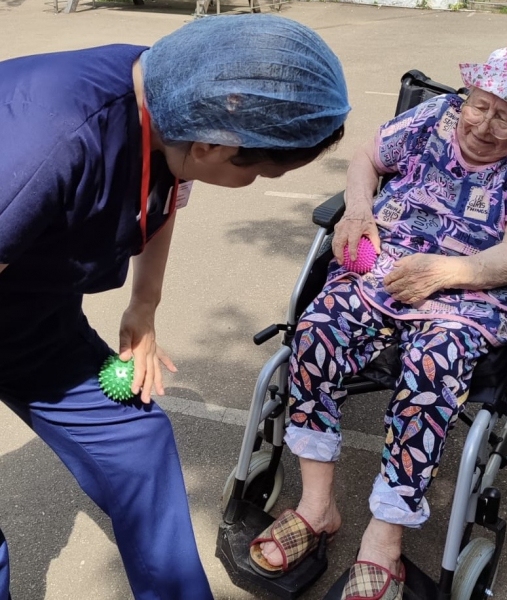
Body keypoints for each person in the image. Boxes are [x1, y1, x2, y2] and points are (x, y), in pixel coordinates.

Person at [0, 14, 349, 600]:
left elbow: (165, 191)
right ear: (214, 145)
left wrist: (144, 306)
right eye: (260, 173)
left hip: (30, 306)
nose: (257, 183)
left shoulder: (179, 92)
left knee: (135, 446)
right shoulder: (50, 141)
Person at [249, 47, 507, 600]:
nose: (483, 125)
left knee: (431, 366)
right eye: (479, 106)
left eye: (504, 119)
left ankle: (384, 540)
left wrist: (446, 271)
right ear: (467, 97)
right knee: (317, 330)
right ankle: (317, 508)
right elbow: (366, 158)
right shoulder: (434, 116)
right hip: (385, 265)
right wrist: (357, 210)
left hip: (467, 286)